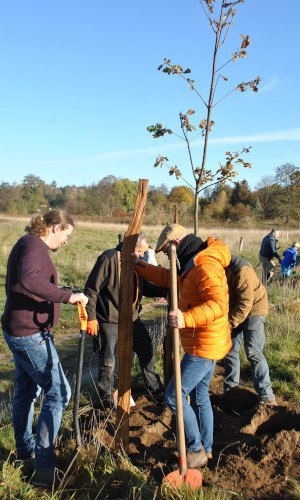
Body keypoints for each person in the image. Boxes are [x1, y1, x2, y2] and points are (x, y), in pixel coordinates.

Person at [1, 209, 89, 489]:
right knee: (59, 392)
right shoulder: (34, 245)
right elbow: (28, 278)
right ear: (55, 228)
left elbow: (28, 283)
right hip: (30, 334)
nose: (67, 241)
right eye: (67, 235)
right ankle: (44, 469)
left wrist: (58, 290)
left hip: (20, 329)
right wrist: (66, 296)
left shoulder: (29, 244)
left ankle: (25, 455)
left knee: (26, 392)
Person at [133, 224, 232, 468]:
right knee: (200, 397)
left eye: (167, 250)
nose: (167, 255)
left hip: (204, 345)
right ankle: (206, 449)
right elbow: (169, 279)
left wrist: (186, 318)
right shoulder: (192, 263)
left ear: (177, 242)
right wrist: (138, 266)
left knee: (173, 396)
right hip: (207, 342)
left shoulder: (204, 265)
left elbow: (218, 305)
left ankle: (195, 448)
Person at [84, 232, 166, 407]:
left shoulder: (137, 263)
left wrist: (165, 291)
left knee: (146, 349)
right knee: (108, 359)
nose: (142, 255)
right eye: (140, 251)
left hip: (132, 318)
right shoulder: (109, 258)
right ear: (130, 247)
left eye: (144, 252)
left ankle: (154, 387)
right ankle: (105, 396)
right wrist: (90, 318)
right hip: (109, 318)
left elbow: (145, 289)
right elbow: (91, 290)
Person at [223, 255, 276, 406]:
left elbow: (246, 303)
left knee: (253, 351)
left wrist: (230, 323)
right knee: (230, 349)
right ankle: (231, 390)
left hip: (255, 309)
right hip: (237, 309)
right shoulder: (220, 268)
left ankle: (266, 396)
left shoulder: (241, 269)